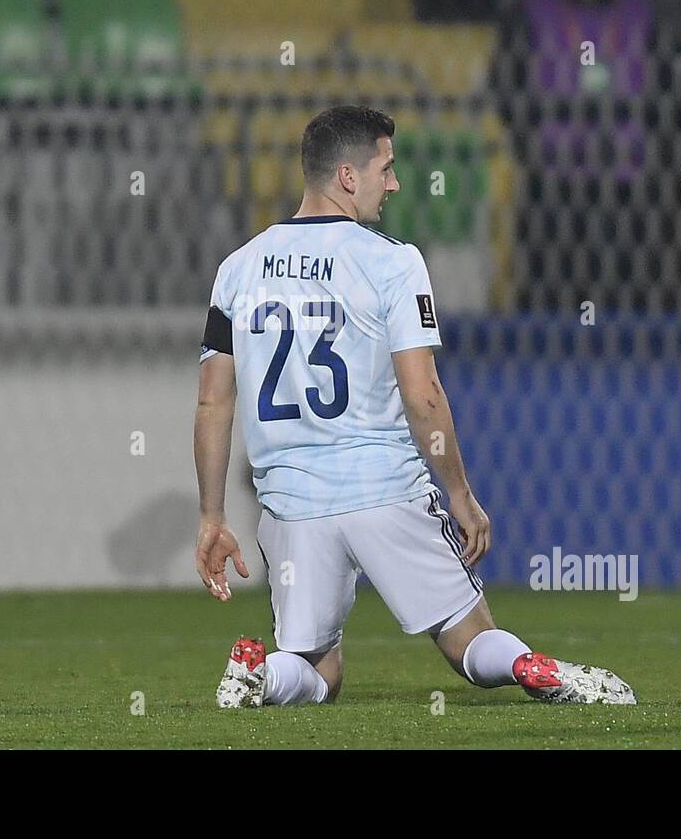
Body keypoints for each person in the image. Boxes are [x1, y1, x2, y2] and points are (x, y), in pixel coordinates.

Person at [193, 106, 635, 707]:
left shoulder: (237, 270)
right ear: (349, 176)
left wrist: (212, 517)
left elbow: (213, 402)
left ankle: (260, 676)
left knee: (316, 670)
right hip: (384, 489)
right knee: (470, 640)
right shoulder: (393, 262)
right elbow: (422, 393)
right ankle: (531, 666)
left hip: (293, 505)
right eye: (387, 168)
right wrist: (459, 492)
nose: (394, 184)